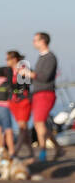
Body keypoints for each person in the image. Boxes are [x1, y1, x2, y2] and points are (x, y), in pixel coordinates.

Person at [30, 32, 61, 161]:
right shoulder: (42, 57)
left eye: (35, 40)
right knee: (38, 123)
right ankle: (58, 148)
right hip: (38, 93)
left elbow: (44, 77)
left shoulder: (50, 57)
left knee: (39, 123)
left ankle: (43, 151)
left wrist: (30, 74)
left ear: (42, 41)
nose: (33, 43)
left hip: (46, 93)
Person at [4, 49, 34, 157]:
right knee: (23, 127)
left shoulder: (24, 69)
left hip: (23, 100)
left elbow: (24, 87)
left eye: (8, 59)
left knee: (22, 126)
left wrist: (14, 90)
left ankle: (15, 151)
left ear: (14, 59)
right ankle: (31, 152)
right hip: (13, 102)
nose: (6, 61)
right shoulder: (8, 71)